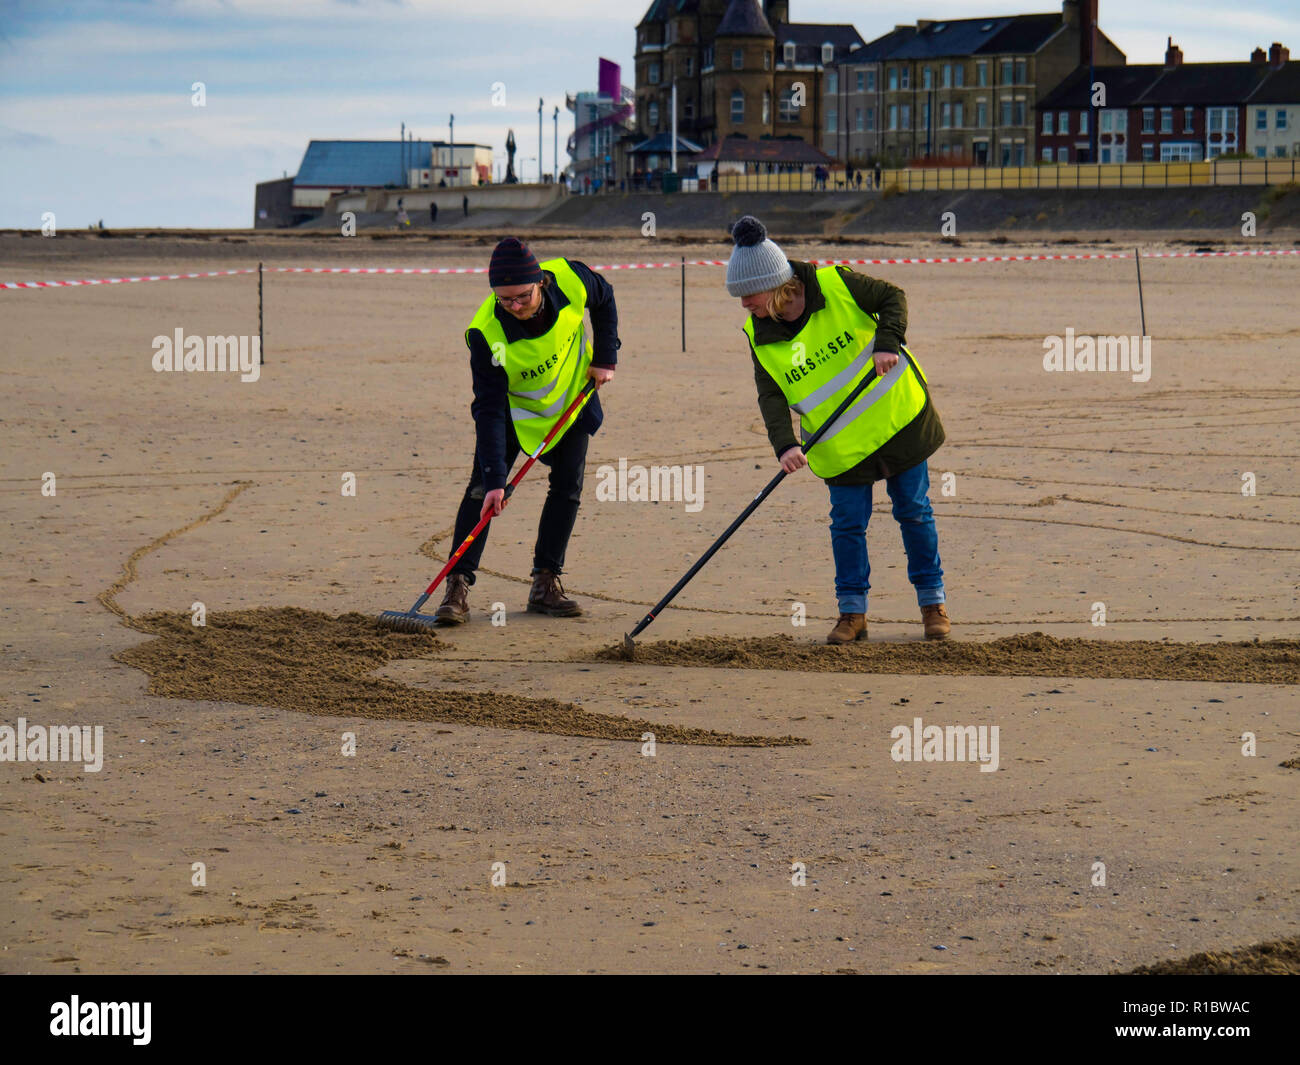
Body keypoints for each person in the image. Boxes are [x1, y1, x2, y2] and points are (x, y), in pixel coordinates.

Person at [725, 215, 949, 644]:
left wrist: (887, 342)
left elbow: (893, 298)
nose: (743, 304)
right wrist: (784, 444)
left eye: (748, 294)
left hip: (896, 422)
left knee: (914, 513)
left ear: (774, 286)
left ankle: (932, 604)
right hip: (839, 445)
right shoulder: (759, 334)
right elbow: (771, 395)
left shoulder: (836, 284)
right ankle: (852, 613)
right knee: (846, 526)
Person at [433, 237, 620, 624]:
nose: (514, 307)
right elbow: (486, 408)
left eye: (521, 297)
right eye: (505, 301)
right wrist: (497, 480)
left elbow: (605, 299)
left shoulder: (571, 279)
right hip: (512, 414)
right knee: (482, 491)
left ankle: (545, 584)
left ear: (540, 283)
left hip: (570, 403)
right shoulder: (485, 333)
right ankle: (456, 587)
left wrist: (605, 357)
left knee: (567, 488)